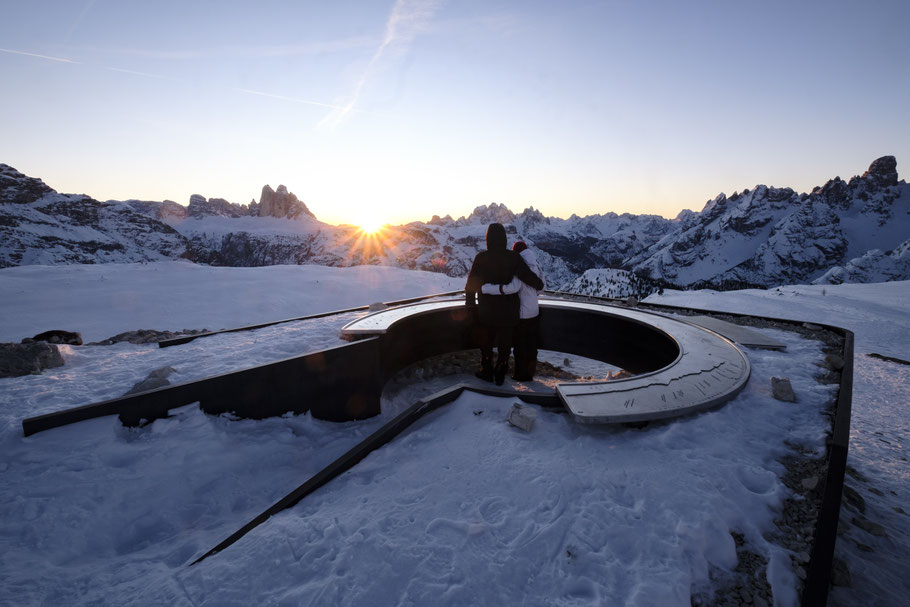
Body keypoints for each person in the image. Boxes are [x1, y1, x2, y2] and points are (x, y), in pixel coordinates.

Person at [465, 224, 544, 385]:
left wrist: (471, 306)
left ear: (487, 239)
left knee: (486, 343)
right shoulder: (513, 257)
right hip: (509, 312)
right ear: (504, 239)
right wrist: (539, 284)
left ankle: (486, 370)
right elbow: (527, 276)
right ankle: (501, 372)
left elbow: (471, 284)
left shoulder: (481, 257)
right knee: (505, 345)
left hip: (486, 311)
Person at [481, 241, 544, 381]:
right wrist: (532, 295)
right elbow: (541, 288)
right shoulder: (536, 264)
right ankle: (530, 373)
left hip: (522, 313)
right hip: (535, 310)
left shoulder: (519, 266)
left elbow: (512, 288)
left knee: (520, 345)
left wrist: (487, 289)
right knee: (532, 344)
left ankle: (520, 375)